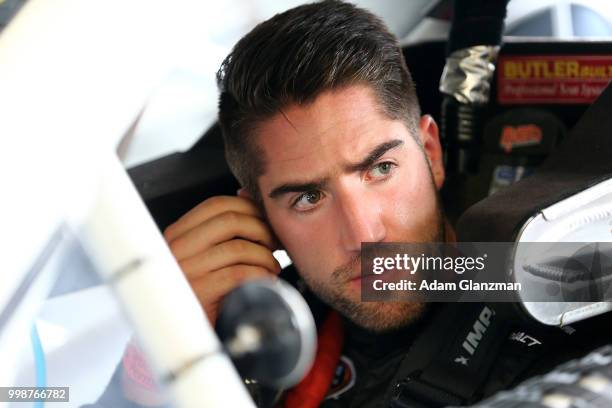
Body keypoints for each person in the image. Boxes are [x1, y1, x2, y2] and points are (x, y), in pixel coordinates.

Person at [87, 1, 612, 407]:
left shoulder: (569, 281)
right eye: (308, 198)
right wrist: (156, 366)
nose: (364, 234)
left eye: (380, 169)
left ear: (430, 153)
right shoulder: (263, 337)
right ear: (261, 220)